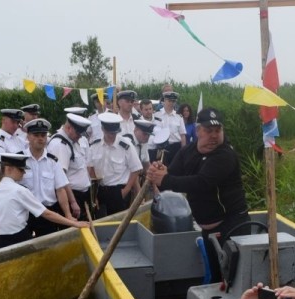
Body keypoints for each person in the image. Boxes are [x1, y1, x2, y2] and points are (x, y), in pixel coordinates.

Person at [146, 107, 249, 281]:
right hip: (208, 229)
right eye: (209, 131)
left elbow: (201, 183)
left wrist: (164, 179)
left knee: (234, 280)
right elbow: (173, 173)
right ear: (198, 130)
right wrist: (159, 172)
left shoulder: (225, 155)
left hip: (232, 226)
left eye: (218, 131)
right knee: (217, 278)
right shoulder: (188, 152)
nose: (214, 136)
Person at [0, 153, 89, 249]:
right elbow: (46, 214)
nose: (24, 172)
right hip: (18, 239)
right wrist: (74, 223)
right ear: (9, 169)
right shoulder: (19, 190)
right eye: (21, 169)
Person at [22, 118, 75, 236]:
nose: (40, 138)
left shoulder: (53, 161)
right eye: (36, 135)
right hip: (25, 213)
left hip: (48, 213)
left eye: (43, 135)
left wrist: (68, 214)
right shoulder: (19, 160)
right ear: (28, 137)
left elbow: (60, 189)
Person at [88, 113, 143, 217]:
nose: (112, 136)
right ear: (103, 129)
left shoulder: (125, 145)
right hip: (100, 190)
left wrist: (126, 190)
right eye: (109, 133)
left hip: (119, 191)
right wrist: (94, 193)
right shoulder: (95, 145)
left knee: (118, 224)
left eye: (114, 133)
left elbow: (136, 168)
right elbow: (90, 168)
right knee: (100, 223)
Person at [48, 113, 94, 221]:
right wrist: (72, 202)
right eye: (78, 134)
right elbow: (61, 179)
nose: (79, 138)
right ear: (69, 128)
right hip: (72, 196)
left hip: (81, 195)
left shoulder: (70, 141)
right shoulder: (60, 145)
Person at [154, 91, 186, 165]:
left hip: (175, 147)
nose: (171, 103)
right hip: (161, 147)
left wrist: (183, 151)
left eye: (173, 101)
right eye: (169, 101)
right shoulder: (156, 115)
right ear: (164, 100)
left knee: (175, 171)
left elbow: (182, 135)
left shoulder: (179, 117)